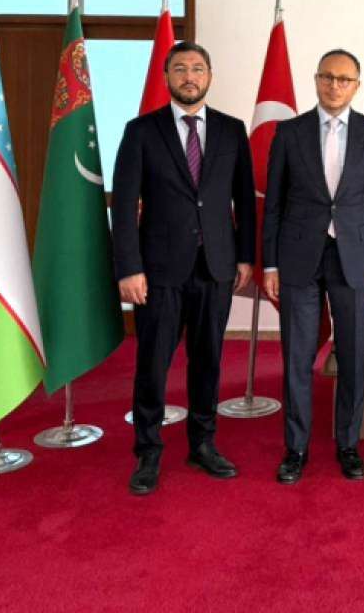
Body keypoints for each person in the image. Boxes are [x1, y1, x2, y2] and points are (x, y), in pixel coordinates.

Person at [112, 40, 255, 496]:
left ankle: (203, 443)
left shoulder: (232, 131)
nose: (189, 76)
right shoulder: (141, 131)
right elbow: (124, 203)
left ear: (209, 76)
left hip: (216, 266)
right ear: (167, 77)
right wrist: (128, 268)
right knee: (153, 363)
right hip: (158, 271)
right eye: (180, 69)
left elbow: (244, 200)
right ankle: (148, 451)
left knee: (208, 360)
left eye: (197, 68)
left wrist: (245, 256)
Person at [263, 49, 364, 483]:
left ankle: (348, 444)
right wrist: (270, 265)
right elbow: (274, 203)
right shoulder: (290, 132)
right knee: (298, 357)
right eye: (327, 77)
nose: (334, 85)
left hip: (356, 258)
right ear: (316, 79)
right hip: (299, 257)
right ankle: (296, 448)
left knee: (353, 356)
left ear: (357, 86)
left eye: (343, 79)